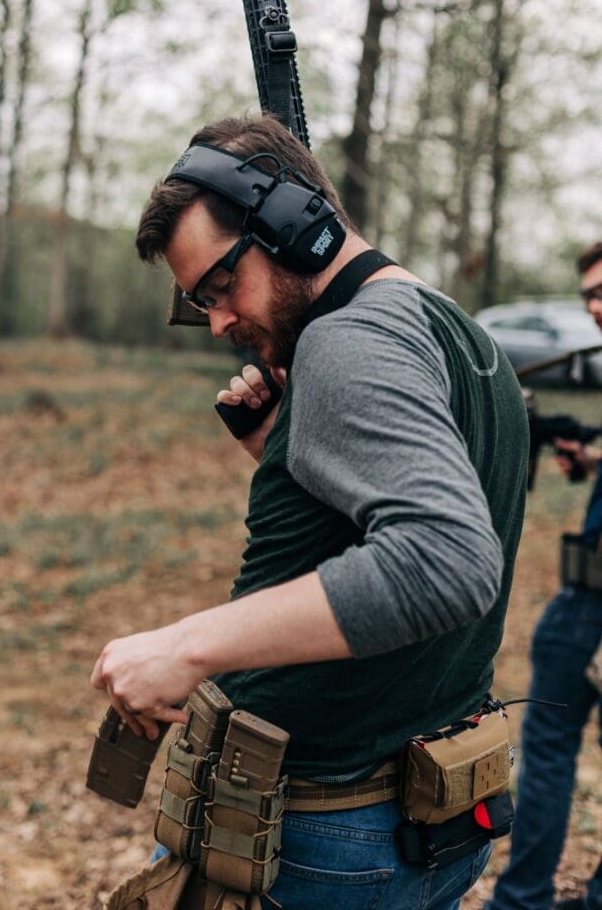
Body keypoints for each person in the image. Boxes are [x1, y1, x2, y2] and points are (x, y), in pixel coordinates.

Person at [91, 114, 529, 909]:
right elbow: (418, 507)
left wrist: (187, 648)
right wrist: (289, 451)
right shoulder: (450, 327)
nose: (220, 322)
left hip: (319, 840)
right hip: (419, 821)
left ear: (296, 228)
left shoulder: (346, 343)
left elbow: (448, 559)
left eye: (222, 286)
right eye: (200, 302)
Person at [485, 241, 602, 910]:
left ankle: (522, 899)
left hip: (590, 604)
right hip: (584, 594)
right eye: (588, 293)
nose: (594, 306)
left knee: (550, 746)